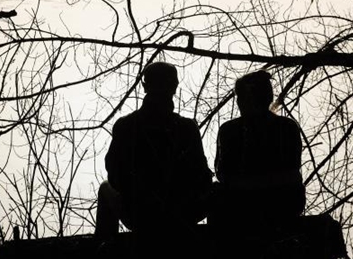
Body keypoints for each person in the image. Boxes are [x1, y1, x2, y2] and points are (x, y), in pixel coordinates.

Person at [95, 62, 213, 241]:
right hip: (182, 213)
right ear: (174, 87)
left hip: (140, 214)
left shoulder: (126, 125)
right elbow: (203, 176)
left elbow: (115, 175)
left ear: (145, 86)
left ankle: (104, 246)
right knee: (218, 190)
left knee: (105, 187)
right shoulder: (187, 127)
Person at [212, 70, 305, 232]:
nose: (239, 103)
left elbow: (291, 171)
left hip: (277, 200)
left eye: (241, 97)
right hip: (244, 200)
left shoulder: (285, 128)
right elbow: (223, 173)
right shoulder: (230, 130)